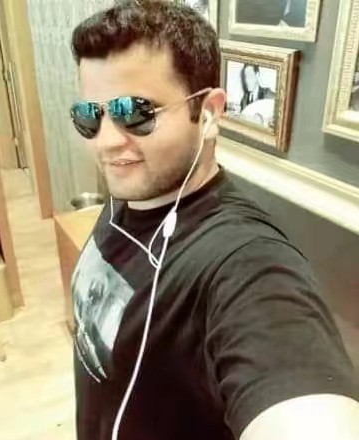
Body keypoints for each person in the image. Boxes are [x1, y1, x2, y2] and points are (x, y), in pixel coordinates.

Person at [69, 1, 359, 439]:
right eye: (91, 115)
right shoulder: (132, 193)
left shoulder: (247, 263)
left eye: (135, 112)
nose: (107, 142)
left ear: (209, 112)